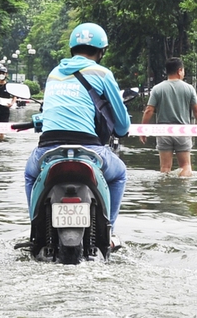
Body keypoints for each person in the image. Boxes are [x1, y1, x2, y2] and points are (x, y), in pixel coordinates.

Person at [25, 22, 131, 225]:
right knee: (119, 174)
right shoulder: (103, 74)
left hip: (49, 150)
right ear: (101, 51)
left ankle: (34, 226)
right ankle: (109, 229)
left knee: (30, 174)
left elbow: (49, 111)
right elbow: (122, 127)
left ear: (72, 48)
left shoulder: (54, 73)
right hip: (90, 150)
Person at [143, 57, 197, 176]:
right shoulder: (189, 88)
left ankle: (166, 192)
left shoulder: (157, 89)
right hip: (183, 131)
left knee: (165, 167)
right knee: (186, 166)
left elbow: (149, 110)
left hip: (163, 132)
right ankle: (182, 193)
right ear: (179, 70)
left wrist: (142, 130)